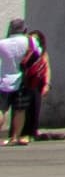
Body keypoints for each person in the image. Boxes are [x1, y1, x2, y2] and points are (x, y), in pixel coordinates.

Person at [0, 18, 29, 148]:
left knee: (1, 109)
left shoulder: (3, 43)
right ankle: (15, 137)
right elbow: (38, 54)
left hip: (4, 80)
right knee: (19, 110)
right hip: (22, 80)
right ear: (23, 29)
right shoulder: (29, 42)